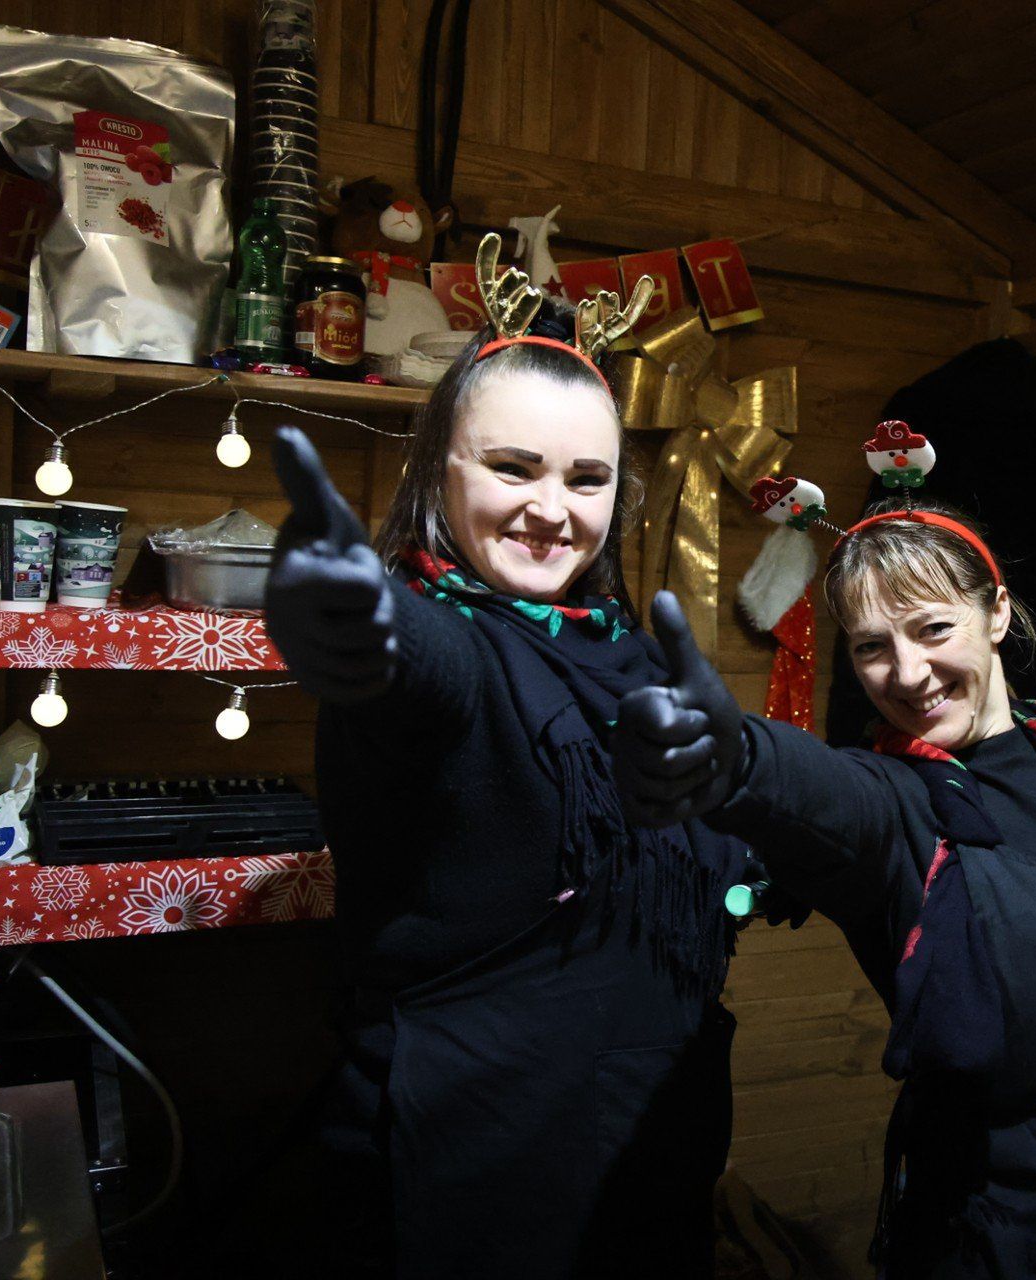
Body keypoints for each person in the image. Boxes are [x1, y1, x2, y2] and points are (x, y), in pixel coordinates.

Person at [612, 500, 1036, 1279]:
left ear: (998, 612)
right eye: (872, 646)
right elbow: (820, 793)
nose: (907, 674)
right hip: (1019, 1249)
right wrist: (739, 757)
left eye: (933, 629)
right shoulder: (897, 807)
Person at [262, 277, 743, 1277]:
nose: (552, 511)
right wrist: (357, 624)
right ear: (441, 469)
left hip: (648, 1143)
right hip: (475, 1156)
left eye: (587, 478)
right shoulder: (445, 640)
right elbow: (420, 664)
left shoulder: (637, 649)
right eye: (514, 467)